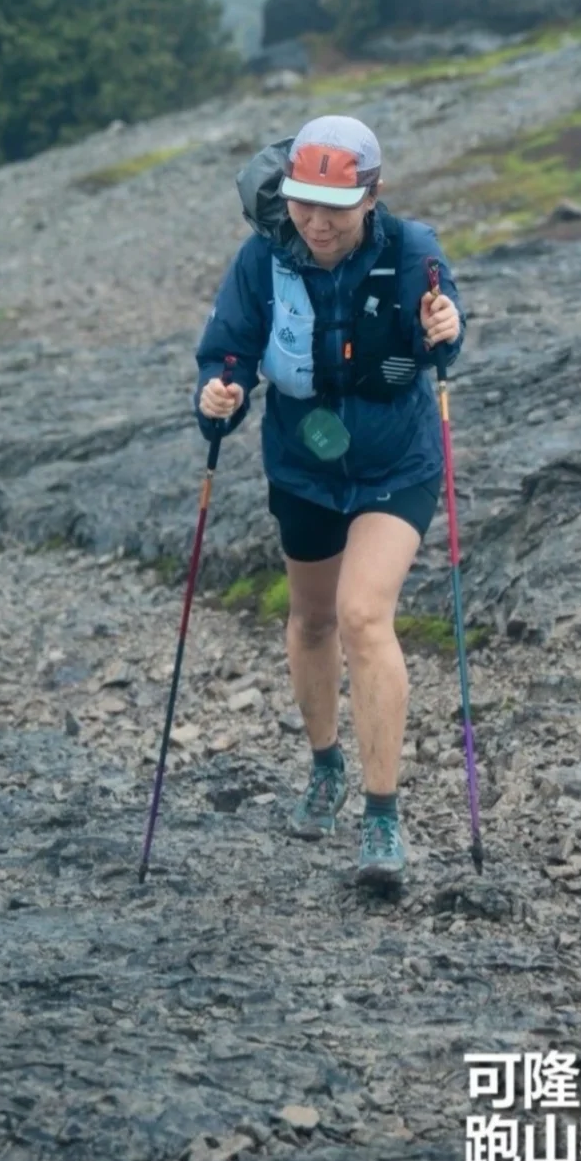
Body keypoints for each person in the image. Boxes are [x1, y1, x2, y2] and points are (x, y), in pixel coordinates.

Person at [193, 115, 464, 886]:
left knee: (361, 614)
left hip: (394, 462)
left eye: (334, 207)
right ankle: (325, 765)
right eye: (303, 202)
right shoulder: (262, 260)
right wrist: (220, 394)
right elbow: (229, 351)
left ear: (371, 196)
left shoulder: (412, 251)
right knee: (311, 617)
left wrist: (446, 328)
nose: (315, 221)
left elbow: (448, 330)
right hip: (304, 464)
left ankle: (382, 817)